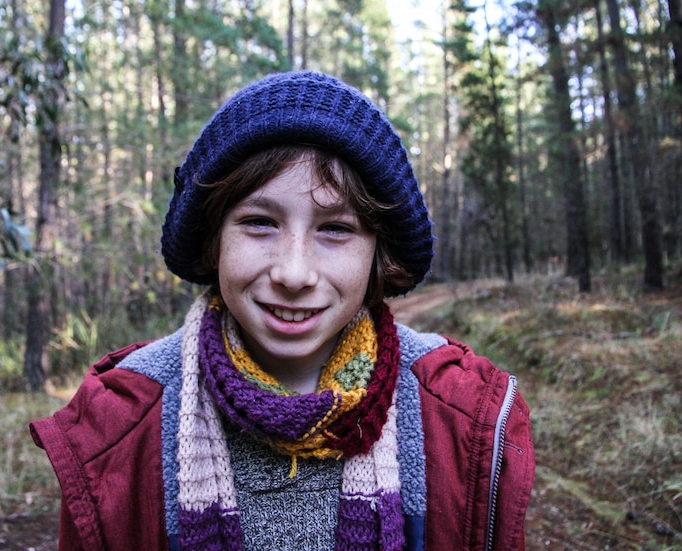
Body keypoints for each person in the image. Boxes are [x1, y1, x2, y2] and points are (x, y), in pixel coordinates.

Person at [30, 71, 535, 551]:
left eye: (335, 229)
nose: (294, 273)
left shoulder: (466, 419)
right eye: (259, 222)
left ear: (378, 252)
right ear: (213, 240)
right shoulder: (118, 429)